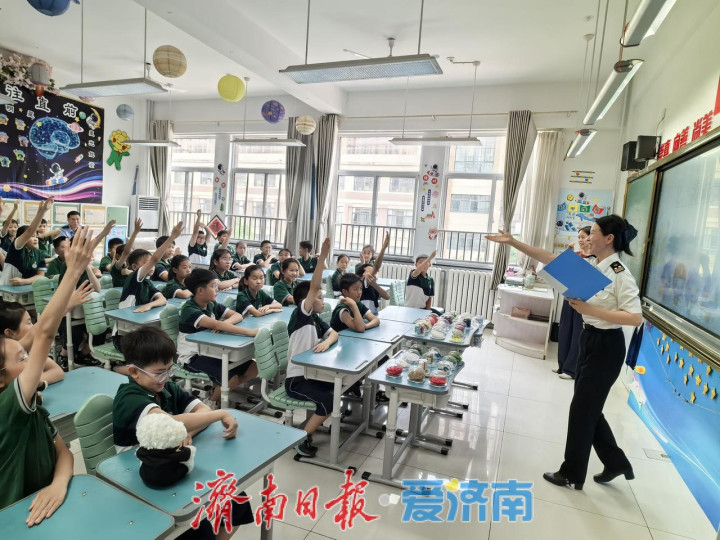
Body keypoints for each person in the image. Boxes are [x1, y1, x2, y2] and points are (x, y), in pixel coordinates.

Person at [487, 215, 642, 490]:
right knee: (588, 408)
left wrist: (592, 310)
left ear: (609, 239)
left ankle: (572, 473)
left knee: (582, 410)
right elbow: (549, 258)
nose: (587, 237)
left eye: (593, 232)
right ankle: (615, 461)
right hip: (589, 339)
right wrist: (513, 242)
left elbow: (634, 317)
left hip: (607, 347)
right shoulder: (594, 266)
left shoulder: (619, 273)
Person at [0, 224, 110, 525]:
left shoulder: (34, 407)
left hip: (44, 505)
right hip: (14, 517)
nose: (30, 358)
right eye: (21, 357)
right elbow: (44, 334)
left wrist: (58, 484)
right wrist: (73, 270)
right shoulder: (8, 407)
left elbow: (64, 454)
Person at [112, 326, 254, 539]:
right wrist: (219, 413)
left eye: (170, 369)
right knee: (200, 528)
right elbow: (168, 422)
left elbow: (202, 412)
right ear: (134, 372)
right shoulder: (129, 398)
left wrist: (187, 432)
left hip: (172, 466)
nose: (167, 377)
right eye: (160, 373)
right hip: (141, 476)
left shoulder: (166, 388)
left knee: (236, 500)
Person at [284, 237, 336, 457]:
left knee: (336, 388)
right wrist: (322, 256)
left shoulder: (315, 318)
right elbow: (314, 286)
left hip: (311, 375)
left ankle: (313, 422)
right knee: (328, 401)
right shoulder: (302, 314)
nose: (323, 301)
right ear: (307, 300)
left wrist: (326, 342)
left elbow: (334, 333)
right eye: (319, 298)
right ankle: (300, 438)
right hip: (296, 380)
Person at [177, 269, 258, 406]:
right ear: (200, 291)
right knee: (230, 379)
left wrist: (224, 324)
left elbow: (237, 315)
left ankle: (219, 390)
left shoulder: (211, 304)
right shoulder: (189, 309)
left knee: (254, 367)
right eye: (213, 286)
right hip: (193, 357)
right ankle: (211, 402)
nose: (217, 289)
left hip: (212, 350)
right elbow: (216, 324)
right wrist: (248, 332)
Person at [555, 226, 592, 380]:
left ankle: (571, 370)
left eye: (583, 237)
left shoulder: (595, 259)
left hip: (582, 301)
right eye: (579, 237)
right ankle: (562, 365)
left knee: (577, 334)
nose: (580, 240)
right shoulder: (576, 255)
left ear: (591, 238)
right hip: (568, 297)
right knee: (565, 331)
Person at [119, 222, 183, 312]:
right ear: (134, 267)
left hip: (138, 316)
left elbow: (163, 300)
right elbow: (154, 259)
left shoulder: (147, 282)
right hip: (125, 317)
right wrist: (172, 237)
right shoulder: (133, 277)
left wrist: (149, 305)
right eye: (147, 263)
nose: (152, 266)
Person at [0, 301, 66, 385]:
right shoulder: (8, 357)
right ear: (10, 333)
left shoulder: (28, 350)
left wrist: (32, 382)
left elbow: (58, 372)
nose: (33, 326)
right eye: (28, 323)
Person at [1, 197, 53, 286]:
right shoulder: (16, 249)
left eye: (36, 236)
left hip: (27, 290)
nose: (36, 239)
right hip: (7, 291)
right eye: (32, 236)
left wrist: (24, 281)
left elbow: (41, 275)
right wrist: (43, 211)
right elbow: (30, 230)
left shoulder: (39, 254)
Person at [356, 232, 391, 315]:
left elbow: (387, 297)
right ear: (363, 274)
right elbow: (376, 267)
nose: (372, 272)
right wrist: (383, 248)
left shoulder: (372, 283)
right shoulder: (364, 282)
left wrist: (375, 284)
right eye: (369, 271)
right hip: (366, 316)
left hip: (374, 314)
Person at [110, 218, 143, 288]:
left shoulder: (133, 266)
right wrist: (135, 232)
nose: (131, 255)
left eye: (132, 253)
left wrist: (131, 272)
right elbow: (126, 252)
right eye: (129, 254)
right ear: (118, 256)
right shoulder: (117, 267)